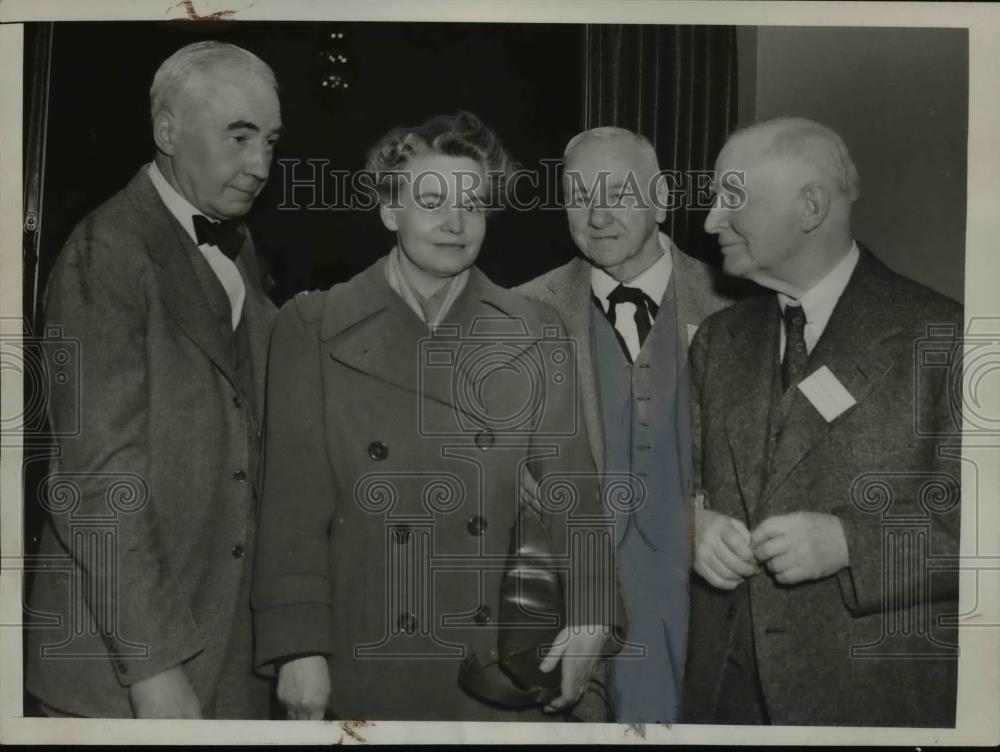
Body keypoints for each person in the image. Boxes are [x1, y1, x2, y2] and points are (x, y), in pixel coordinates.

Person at [251, 111, 614, 721]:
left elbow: (573, 490)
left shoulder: (533, 329)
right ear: (389, 211)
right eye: (432, 201)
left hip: (494, 660)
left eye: (473, 204)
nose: (455, 223)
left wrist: (593, 615)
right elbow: (292, 507)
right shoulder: (312, 326)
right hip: (359, 652)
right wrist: (297, 649)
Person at [26, 41, 282, 718]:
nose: (261, 165)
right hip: (123, 671)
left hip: (224, 656)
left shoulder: (242, 246)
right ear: (167, 130)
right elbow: (96, 479)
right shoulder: (105, 250)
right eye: (239, 137)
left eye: (271, 140)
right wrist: (153, 663)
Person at [684, 117, 961, 726]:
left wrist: (850, 545)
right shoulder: (718, 340)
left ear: (810, 206)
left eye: (732, 198)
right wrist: (690, 525)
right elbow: (670, 485)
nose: (710, 222)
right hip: (719, 702)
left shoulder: (948, 339)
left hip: (870, 705)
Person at [518, 127, 732, 723]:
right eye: (579, 194)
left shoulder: (738, 310)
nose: (598, 213)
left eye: (619, 191)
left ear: (662, 198)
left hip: (701, 633)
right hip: (566, 631)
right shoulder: (521, 313)